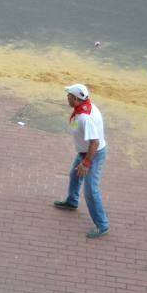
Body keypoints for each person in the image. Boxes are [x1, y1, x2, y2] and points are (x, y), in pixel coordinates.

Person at [54, 84, 110, 239]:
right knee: (74, 175)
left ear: (75, 99)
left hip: (93, 154)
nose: (67, 97)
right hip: (84, 152)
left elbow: (95, 143)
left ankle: (102, 224)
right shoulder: (84, 107)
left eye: (69, 95)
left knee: (91, 189)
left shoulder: (85, 117)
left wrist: (86, 163)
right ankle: (72, 201)